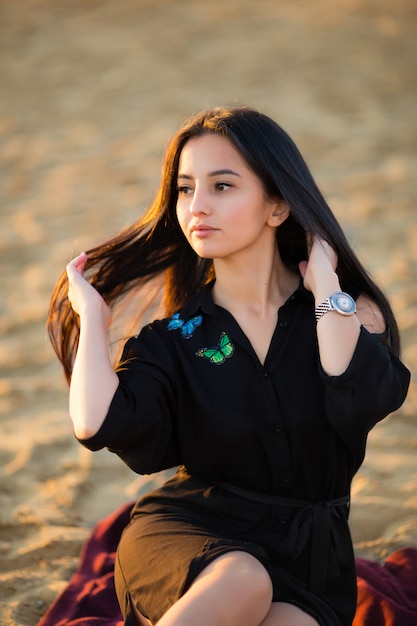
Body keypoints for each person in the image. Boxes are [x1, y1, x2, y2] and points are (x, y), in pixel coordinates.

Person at [47, 106, 410, 626]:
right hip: (194, 534)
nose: (196, 207)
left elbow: (354, 390)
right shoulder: (175, 338)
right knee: (242, 580)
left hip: (307, 560)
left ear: (278, 206)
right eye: (185, 188)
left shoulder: (345, 313)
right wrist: (94, 321)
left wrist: (327, 286)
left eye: (221, 186)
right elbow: (93, 421)